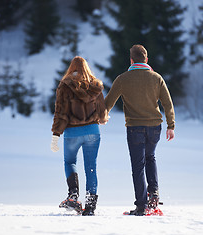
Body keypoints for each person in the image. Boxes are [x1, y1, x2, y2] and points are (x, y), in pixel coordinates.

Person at [105, 44, 175, 216]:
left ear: (131, 60)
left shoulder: (123, 79)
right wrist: (171, 125)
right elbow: (167, 104)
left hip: (135, 128)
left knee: (138, 166)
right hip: (155, 128)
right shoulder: (157, 78)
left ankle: (141, 206)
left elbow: (108, 103)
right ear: (146, 59)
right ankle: (154, 196)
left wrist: (100, 117)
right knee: (150, 158)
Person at [50, 56, 108, 216]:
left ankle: (73, 195)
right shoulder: (95, 86)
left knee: (70, 162)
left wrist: (56, 134)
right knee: (91, 167)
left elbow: (60, 113)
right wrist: (101, 119)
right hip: (92, 132)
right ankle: (90, 206)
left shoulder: (64, 86)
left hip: (72, 132)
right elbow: (103, 114)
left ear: (71, 68)